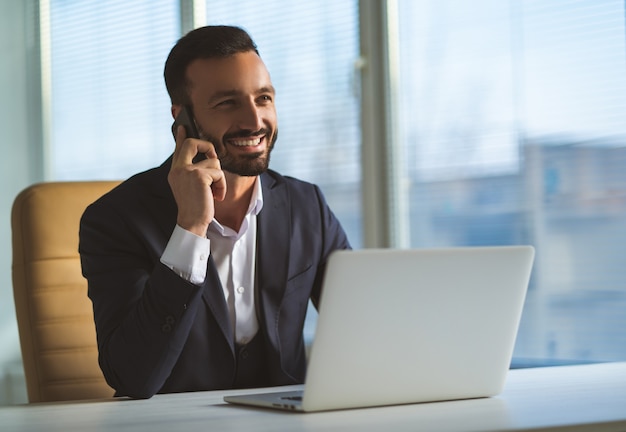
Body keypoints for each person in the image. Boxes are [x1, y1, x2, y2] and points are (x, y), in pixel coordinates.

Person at [79, 25, 351, 399]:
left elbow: (367, 329)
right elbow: (132, 376)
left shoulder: (308, 207)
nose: (255, 121)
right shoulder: (114, 220)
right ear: (182, 119)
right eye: (228, 103)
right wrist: (189, 228)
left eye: (264, 98)